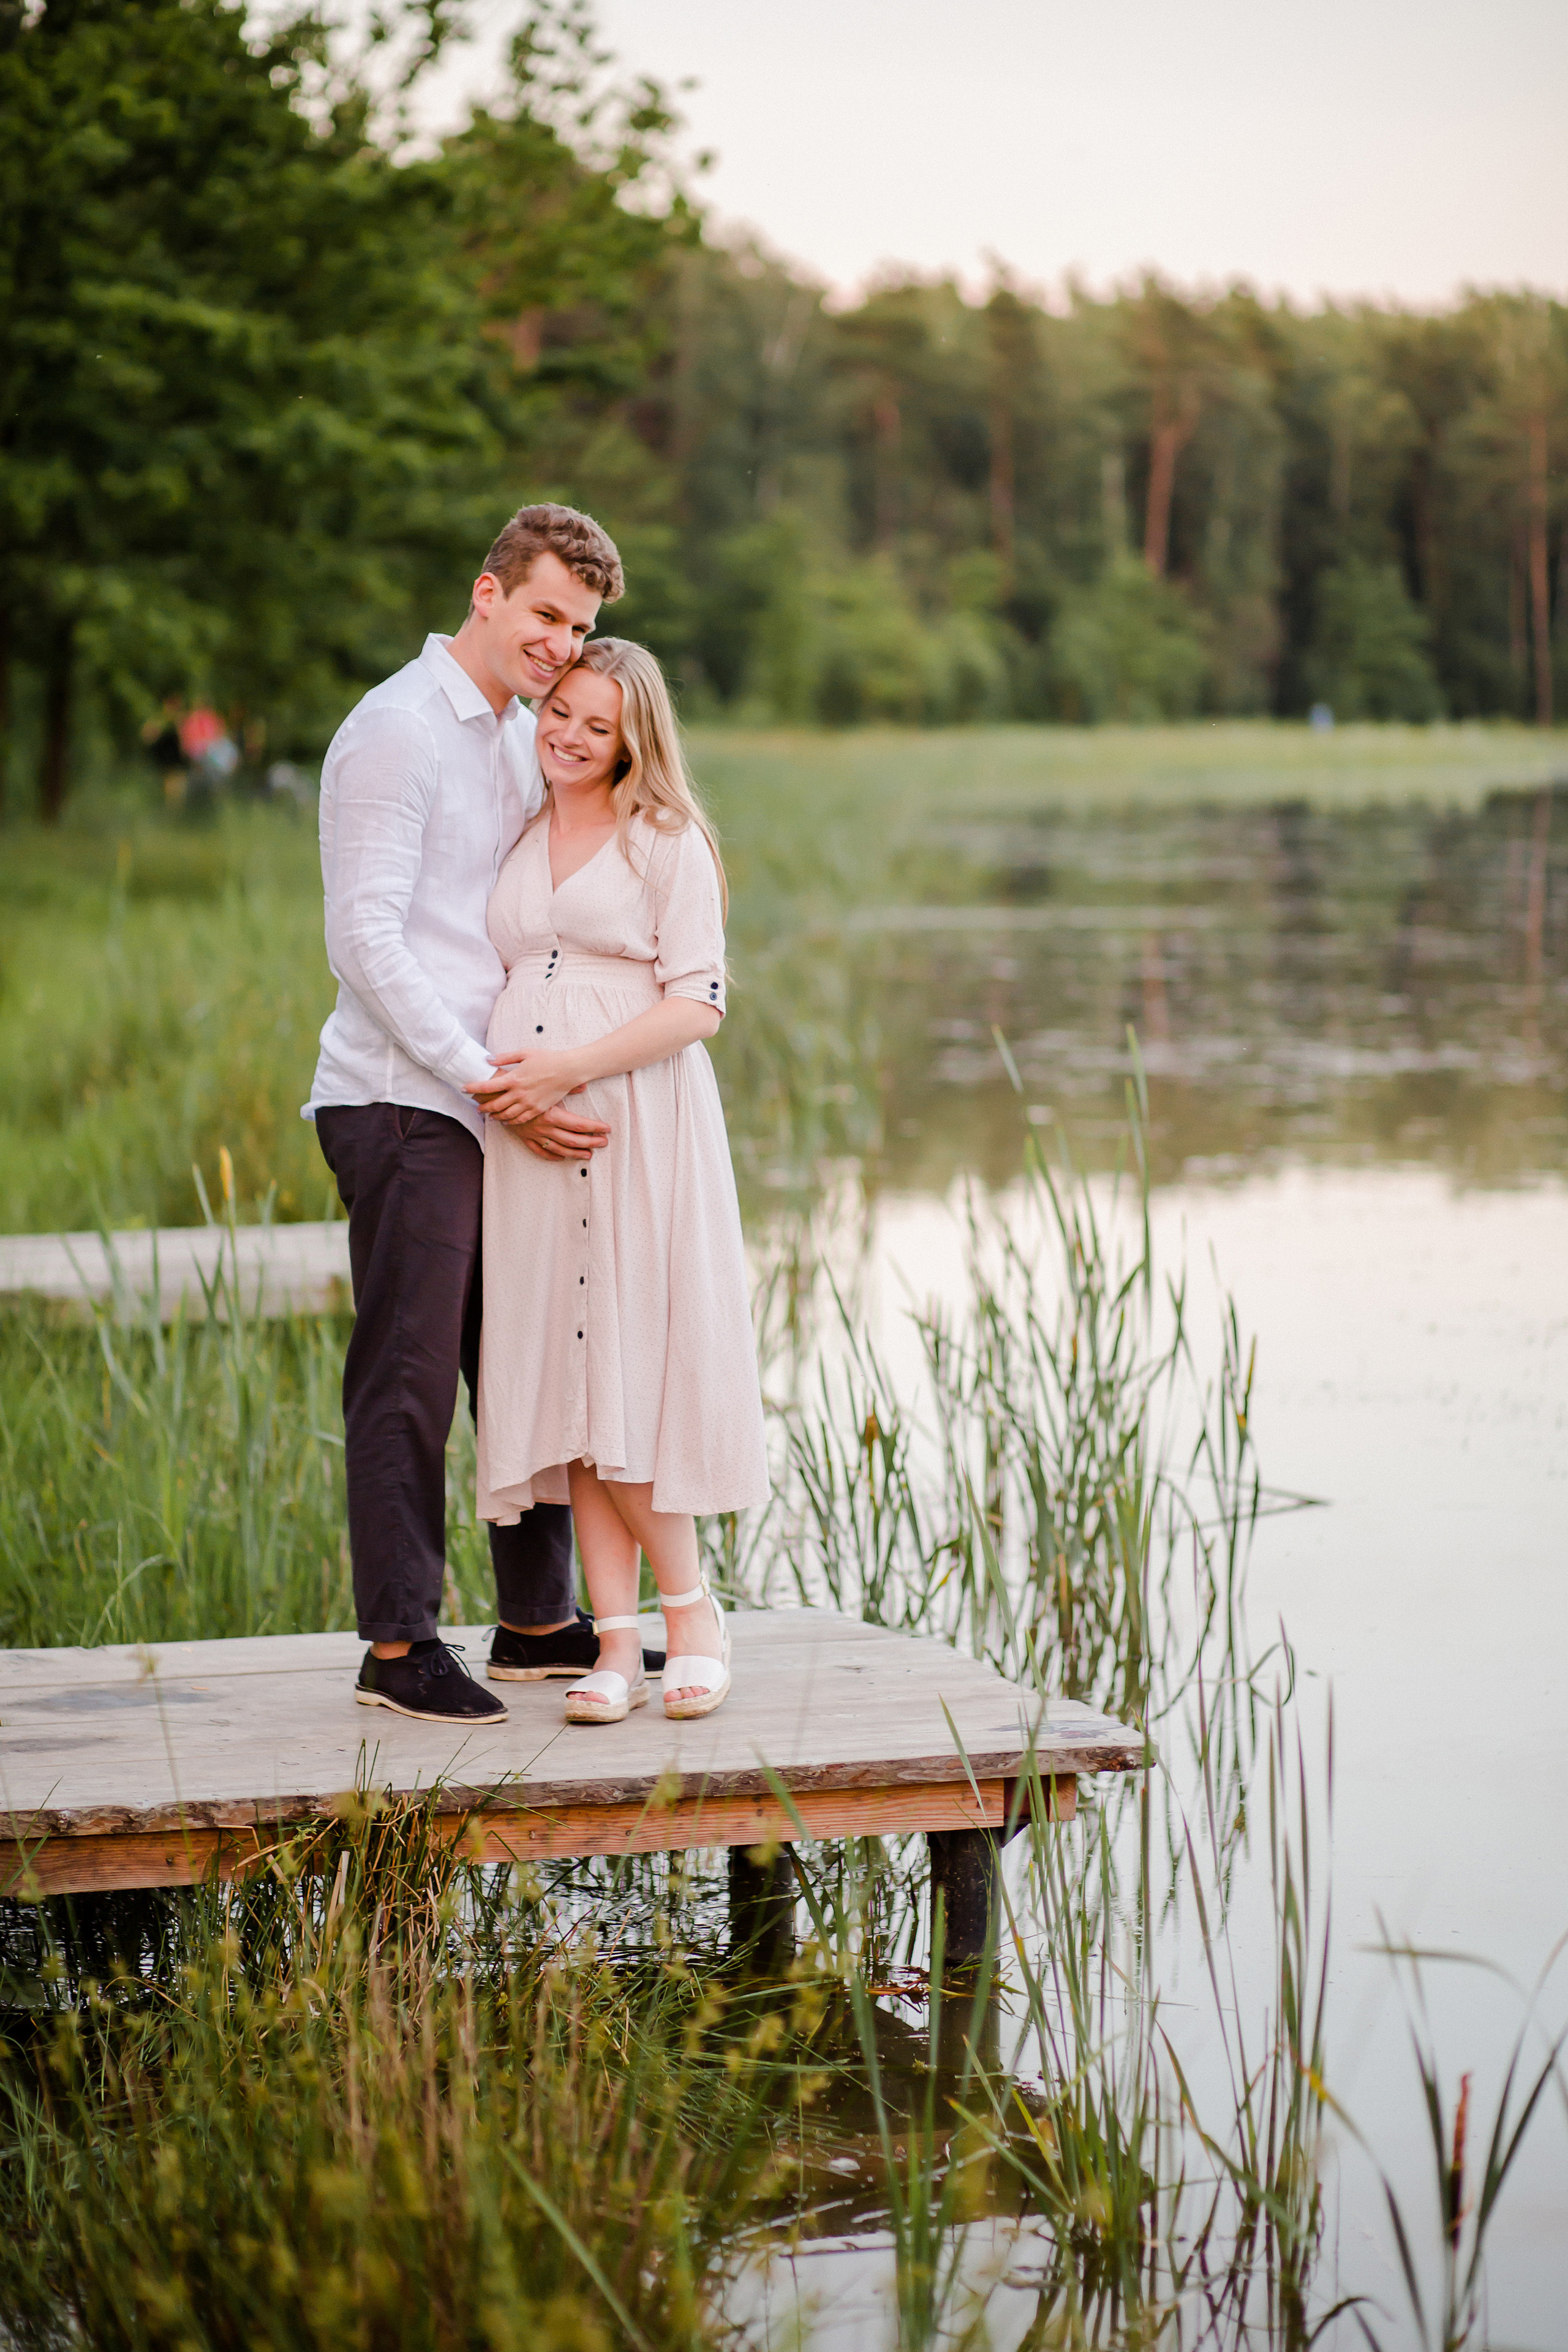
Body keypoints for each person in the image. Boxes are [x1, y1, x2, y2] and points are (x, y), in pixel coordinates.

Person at [305, 503, 663, 1724]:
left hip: (489, 1100)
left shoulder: (522, 735)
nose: (563, 644)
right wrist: (483, 1076)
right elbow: (362, 939)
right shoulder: (400, 732)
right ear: (488, 593)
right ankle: (398, 1650)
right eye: (549, 614)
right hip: (407, 1099)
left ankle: (537, 1623)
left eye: (583, 627)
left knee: (527, 1349)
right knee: (408, 1374)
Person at [470, 639, 769, 1724]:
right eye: (559, 712)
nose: (568, 736)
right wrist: (516, 1086)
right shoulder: (518, 827)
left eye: (596, 726)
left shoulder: (666, 841)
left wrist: (566, 1069)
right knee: (575, 1383)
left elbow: (698, 1004)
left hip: (632, 1122)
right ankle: (617, 1642)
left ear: (631, 738)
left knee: (629, 1367)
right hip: (528, 1140)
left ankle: (692, 1618)